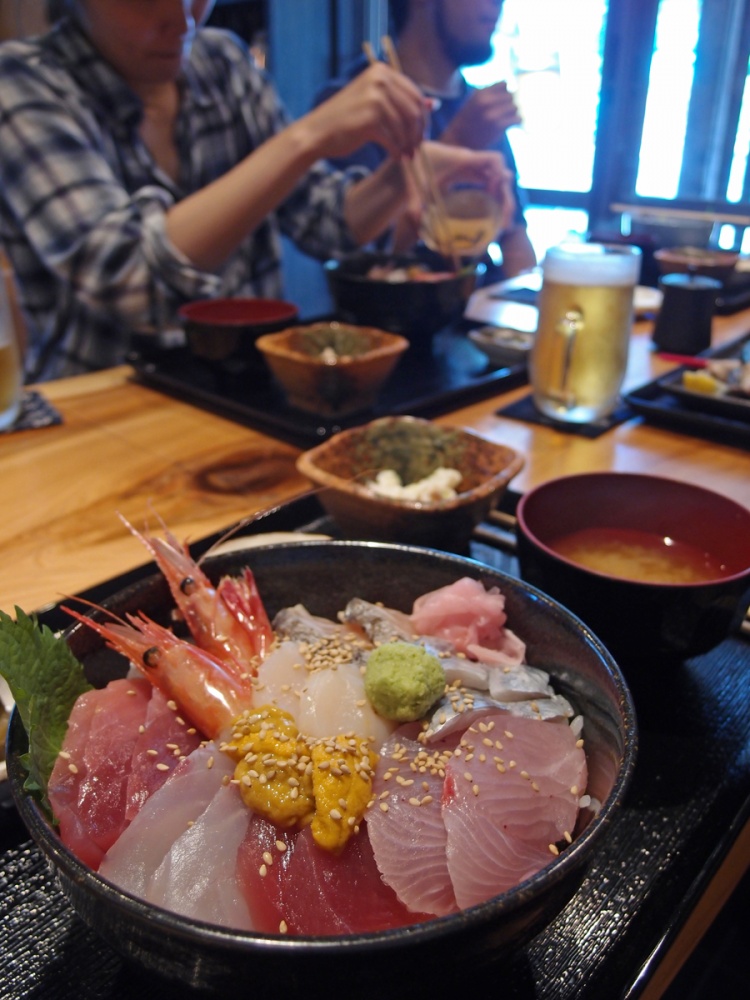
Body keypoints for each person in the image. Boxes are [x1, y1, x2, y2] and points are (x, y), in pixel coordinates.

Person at [0, 1, 513, 381]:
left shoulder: (220, 61)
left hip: (251, 389)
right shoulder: (23, 83)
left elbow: (328, 222)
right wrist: (307, 138)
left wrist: (414, 172)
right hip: (104, 406)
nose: (182, 20)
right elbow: (130, 282)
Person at [314, 0, 537, 278]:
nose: (497, 5)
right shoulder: (355, 105)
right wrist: (459, 140)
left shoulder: (477, 106)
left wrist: (532, 298)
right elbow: (365, 255)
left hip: (473, 307)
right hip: (394, 312)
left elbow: (513, 233)